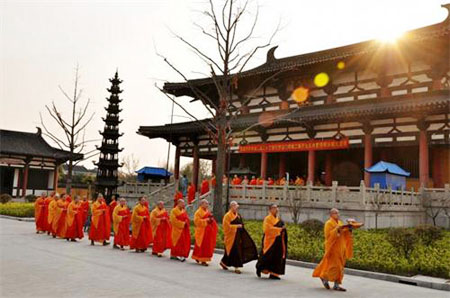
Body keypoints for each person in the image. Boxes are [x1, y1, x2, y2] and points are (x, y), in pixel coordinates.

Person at [313, 208, 353, 292]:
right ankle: (324, 277)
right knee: (335, 267)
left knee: (340, 267)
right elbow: (328, 236)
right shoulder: (328, 223)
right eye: (336, 213)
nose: (338, 215)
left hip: (341, 248)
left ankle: (336, 285)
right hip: (333, 248)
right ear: (331, 214)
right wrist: (337, 229)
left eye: (338, 213)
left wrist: (349, 229)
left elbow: (343, 232)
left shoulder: (340, 223)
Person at [220, 201, 258, 274]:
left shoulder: (238, 215)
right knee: (235, 251)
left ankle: (223, 262)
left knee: (232, 252)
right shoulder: (227, 216)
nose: (236, 208)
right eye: (235, 206)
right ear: (231, 207)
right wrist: (236, 226)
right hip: (231, 237)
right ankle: (236, 267)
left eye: (237, 207)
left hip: (238, 236)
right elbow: (226, 227)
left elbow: (241, 224)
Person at [256, 204, 287, 280]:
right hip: (270, 241)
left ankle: (274, 273)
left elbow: (281, 227)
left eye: (277, 208)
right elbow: (267, 230)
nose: (276, 209)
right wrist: (279, 230)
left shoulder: (278, 219)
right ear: (270, 210)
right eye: (274, 208)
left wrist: (283, 230)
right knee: (267, 256)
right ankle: (260, 268)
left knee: (277, 256)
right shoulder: (267, 219)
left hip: (278, 240)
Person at [192, 199, 218, 266]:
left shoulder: (207, 211)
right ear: (201, 204)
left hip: (207, 231)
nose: (207, 205)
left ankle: (199, 257)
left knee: (206, 246)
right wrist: (206, 220)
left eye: (207, 204)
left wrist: (211, 220)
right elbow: (196, 222)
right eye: (206, 203)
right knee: (201, 246)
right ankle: (203, 260)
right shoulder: (198, 212)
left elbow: (210, 220)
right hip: (201, 231)